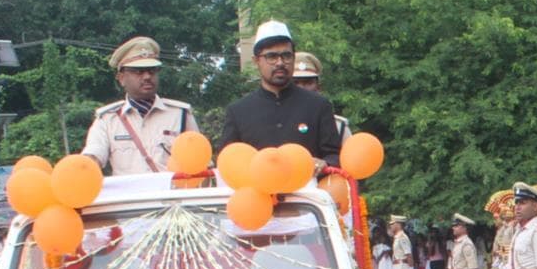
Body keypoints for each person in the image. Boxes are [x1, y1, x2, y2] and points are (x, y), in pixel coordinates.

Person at [217, 21, 344, 165]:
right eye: (271, 56)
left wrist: (324, 163)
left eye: (286, 55)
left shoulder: (318, 105)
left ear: (293, 57)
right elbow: (227, 160)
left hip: (307, 186)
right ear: (256, 61)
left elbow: (335, 156)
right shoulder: (238, 111)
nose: (280, 63)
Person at [81, 37, 195, 175]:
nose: (147, 77)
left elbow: (200, 162)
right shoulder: (107, 120)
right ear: (121, 78)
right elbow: (93, 156)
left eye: (152, 70)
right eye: (138, 71)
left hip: (171, 195)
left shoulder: (180, 115)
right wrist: (82, 168)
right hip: (130, 196)